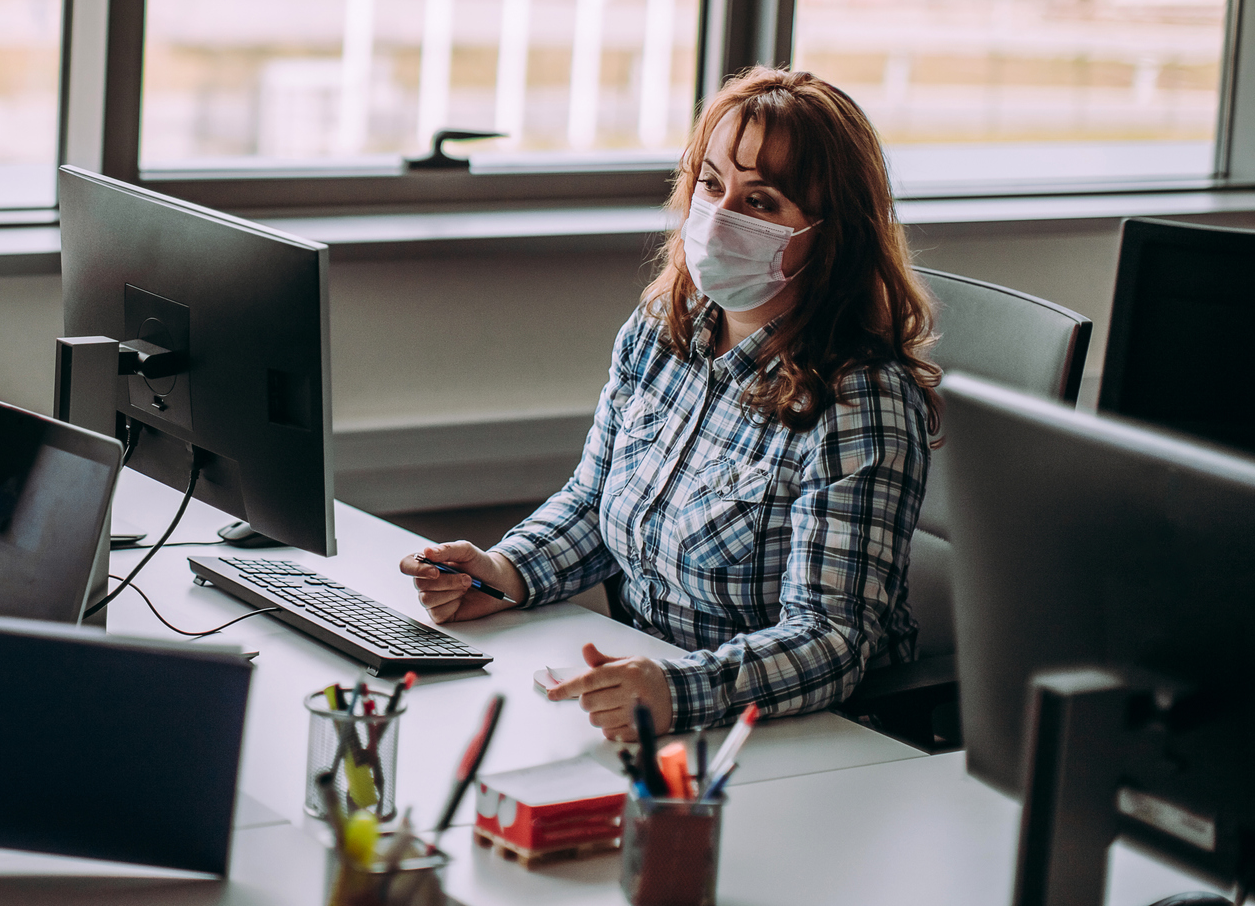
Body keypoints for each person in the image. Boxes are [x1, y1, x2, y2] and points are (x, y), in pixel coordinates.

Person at [400, 68, 937, 740]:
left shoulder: (860, 403)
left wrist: (678, 689)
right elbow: (593, 503)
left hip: (798, 729)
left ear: (831, 236)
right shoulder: (662, 330)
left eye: (762, 201)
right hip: (654, 710)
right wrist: (503, 572)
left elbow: (830, 638)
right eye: (712, 184)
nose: (720, 214)